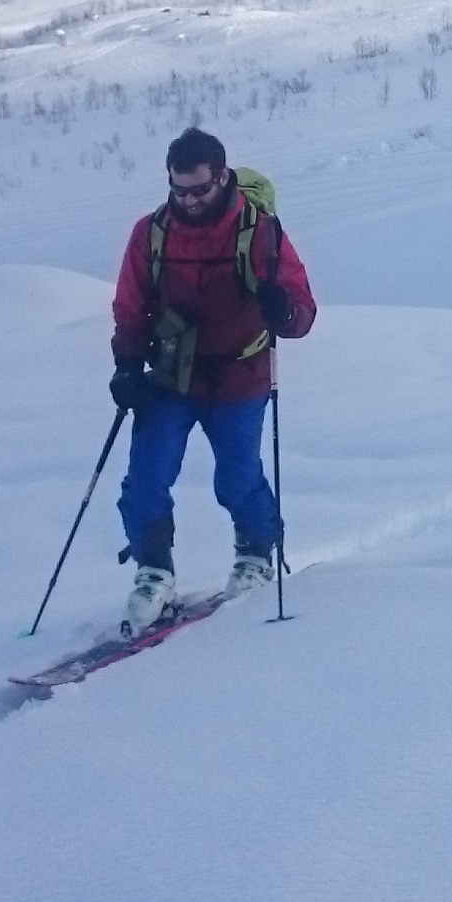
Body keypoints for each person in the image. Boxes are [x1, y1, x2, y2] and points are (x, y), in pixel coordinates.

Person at [106, 127, 316, 634]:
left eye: (199, 189)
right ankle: (153, 569)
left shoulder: (260, 232)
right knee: (146, 478)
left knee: (237, 476)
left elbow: (302, 315)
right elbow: (131, 307)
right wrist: (127, 366)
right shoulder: (151, 233)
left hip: (240, 374)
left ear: (224, 177)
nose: (189, 200)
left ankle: (256, 553)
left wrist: (281, 308)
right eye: (179, 190)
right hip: (173, 375)